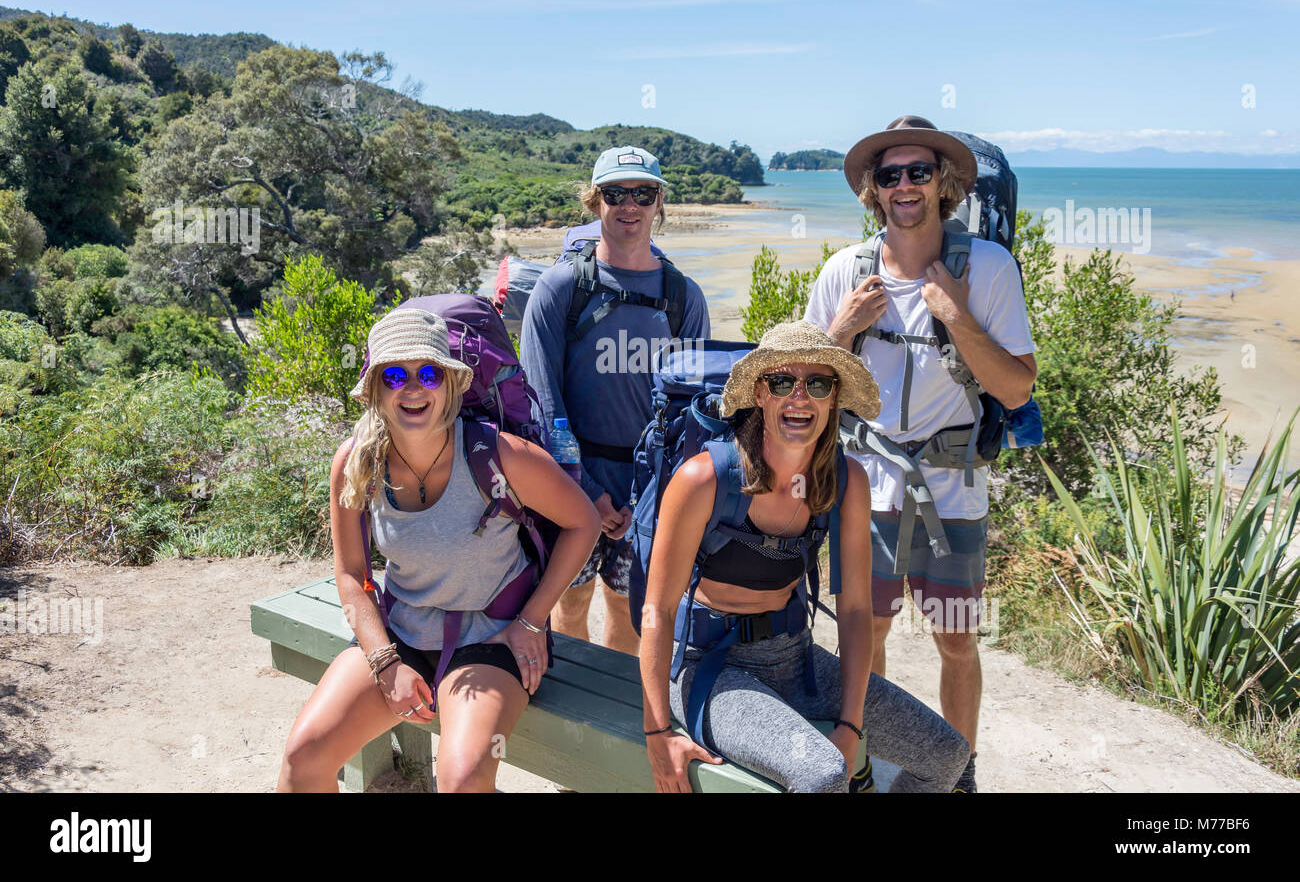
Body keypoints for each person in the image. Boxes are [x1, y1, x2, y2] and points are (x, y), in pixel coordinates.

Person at [803, 115, 1038, 792]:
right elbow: (801, 390)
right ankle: (868, 761)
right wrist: (841, 331)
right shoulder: (843, 273)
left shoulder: (987, 269)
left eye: (919, 172)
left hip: (953, 489)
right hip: (865, 487)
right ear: (872, 191)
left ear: (945, 185)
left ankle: (957, 769)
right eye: (889, 175)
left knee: (956, 639)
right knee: (866, 635)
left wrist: (956, 314)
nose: (904, 185)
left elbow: (1017, 387)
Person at [277, 308, 601, 792]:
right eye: (394, 376)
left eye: (428, 373)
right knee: (303, 759)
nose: (413, 388)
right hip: (401, 634)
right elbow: (350, 576)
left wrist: (532, 621)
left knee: (463, 779)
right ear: (374, 390)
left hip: (491, 637)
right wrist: (385, 664)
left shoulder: (498, 455)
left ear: (450, 384)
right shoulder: (356, 461)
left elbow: (583, 522)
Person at [639, 321, 971, 793]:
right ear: (759, 393)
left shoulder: (846, 480)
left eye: (817, 384)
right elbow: (658, 610)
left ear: (833, 398)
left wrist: (851, 726)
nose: (800, 397)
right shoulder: (703, 480)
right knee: (821, 774)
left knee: (948, 756)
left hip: (798, 660)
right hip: (711, 668)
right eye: (782, 382)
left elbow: (856, 609)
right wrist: (657, 733)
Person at [521, 146, 710, 655]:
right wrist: (585, 488)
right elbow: (542, 400)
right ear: (595, 202)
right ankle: (574, 721)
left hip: (647, 488)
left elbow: (692, 410)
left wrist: (649, 494)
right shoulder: (561, 288)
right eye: (615, 193)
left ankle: (616, 727)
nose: (630, 205)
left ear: (659, 202)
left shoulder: (683, 296)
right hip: (568, 485)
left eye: (643, 193)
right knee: (570, 603)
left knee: (631, 617)